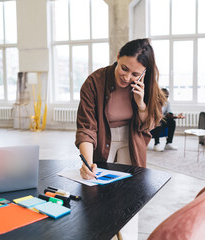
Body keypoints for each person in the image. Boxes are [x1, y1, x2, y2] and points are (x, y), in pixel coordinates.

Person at [75, 38, 166, 240]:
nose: (126, 77)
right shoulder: (95, 81)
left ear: (144, 73)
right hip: (101, 141)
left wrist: (141, 104)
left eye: (135, 74)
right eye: (124, 68)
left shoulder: (148, 85)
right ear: (117, 57)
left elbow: (150, 125)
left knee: (128, 198)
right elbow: (87, 127)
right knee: (99, 196)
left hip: (131, 142)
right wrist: (88, 163)